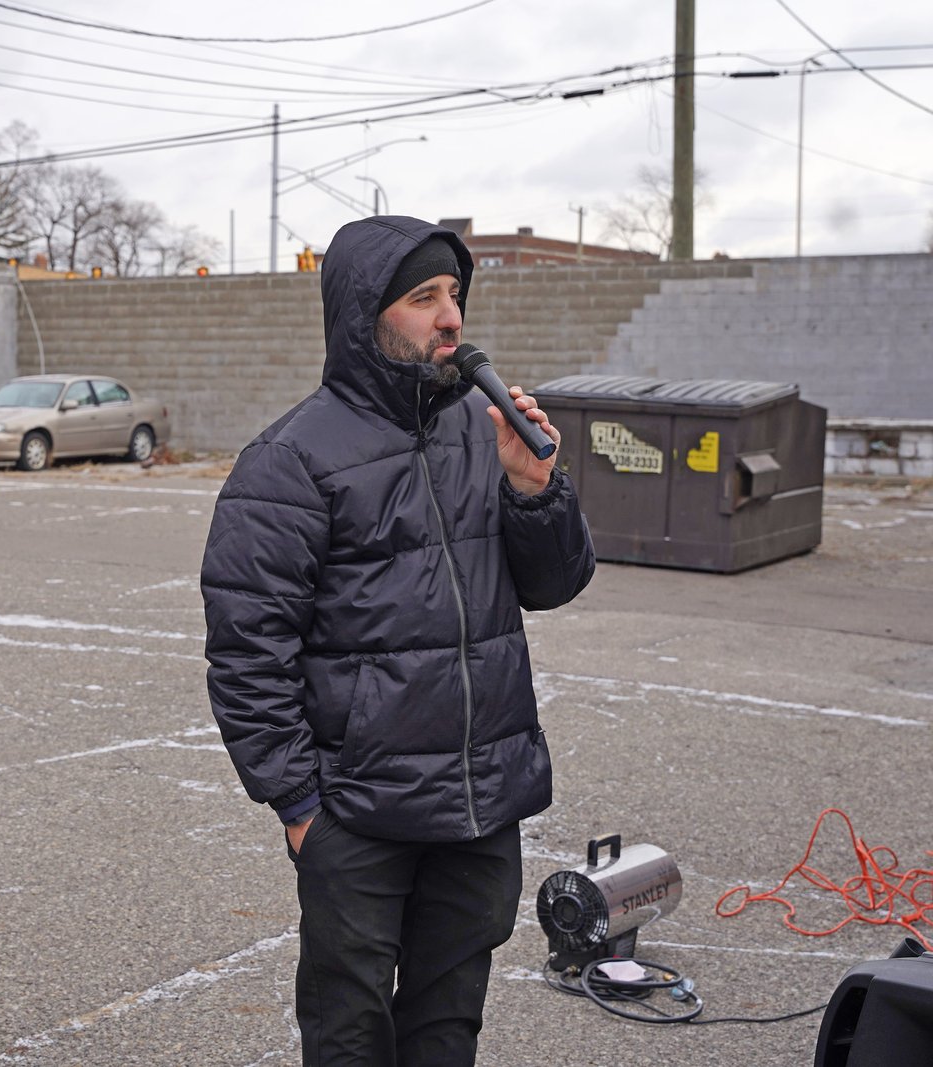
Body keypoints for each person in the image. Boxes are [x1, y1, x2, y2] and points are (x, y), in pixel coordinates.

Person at [200, 216, 595, 1067]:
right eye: (424, 298)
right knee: (349, 1032)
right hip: (358, 811)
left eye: (455, 295)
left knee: (448, 1028)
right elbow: (247, 653)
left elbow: (554, 584)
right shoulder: (288, 461)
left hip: (479, 799)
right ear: (366, 314)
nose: (451, 317)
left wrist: (535, 491)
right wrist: (301, 807)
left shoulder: (479, 431)